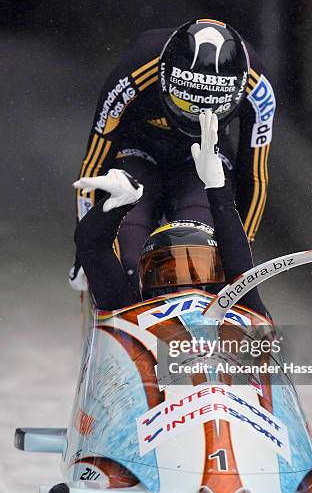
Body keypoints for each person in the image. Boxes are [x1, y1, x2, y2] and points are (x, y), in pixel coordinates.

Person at [70, 18, 276, 290]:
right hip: (138, 151)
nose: (195, 115)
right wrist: (87, 255)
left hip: (202, 158)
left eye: (207, 110)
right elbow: (96, 162)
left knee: (198, 266)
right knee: (130, 267)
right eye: (185, 103)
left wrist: (239, 267)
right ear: (165, 77)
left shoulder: (258, 88)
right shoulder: (136, 69)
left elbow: (255, 176)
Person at [74, 110, 267, 319]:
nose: (185, 283)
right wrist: (115, 207)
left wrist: (218, 188)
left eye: (197, 271)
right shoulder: (128, 309)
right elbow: (91, 246)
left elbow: (241, 274)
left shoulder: (242, 305)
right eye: (168, 274)